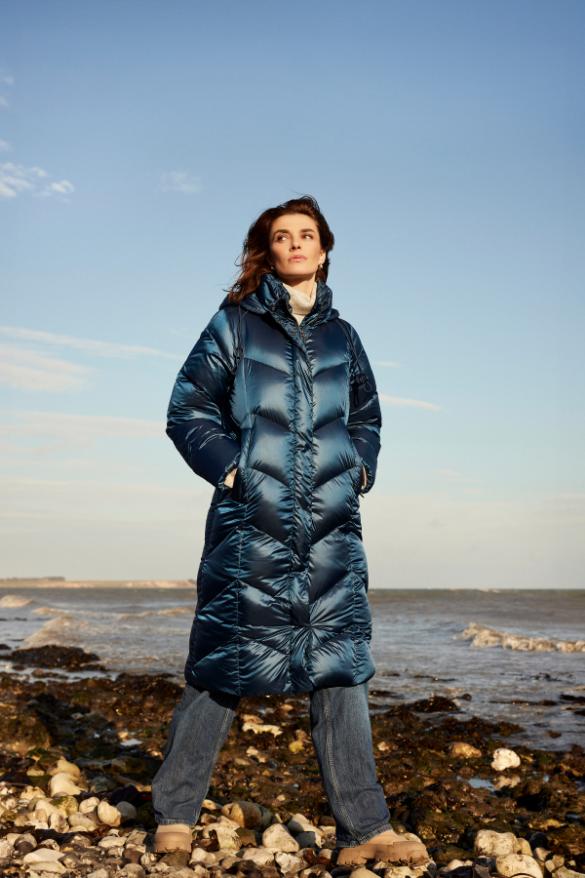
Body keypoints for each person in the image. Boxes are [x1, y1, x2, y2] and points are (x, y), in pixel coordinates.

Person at [151, 196, 431, 868]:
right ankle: (174, 816)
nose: (296, 244)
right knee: (222, 665)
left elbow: (366, 415)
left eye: (307, 234)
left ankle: (364, 830)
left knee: (341, 667)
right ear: (269, 251)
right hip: (252, 522)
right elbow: (187, 409)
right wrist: (234, 472)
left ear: (324, 249)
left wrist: (358, 468)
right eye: (283, 236)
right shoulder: (234, 325)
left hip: (331, 526)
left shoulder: (343, 337)